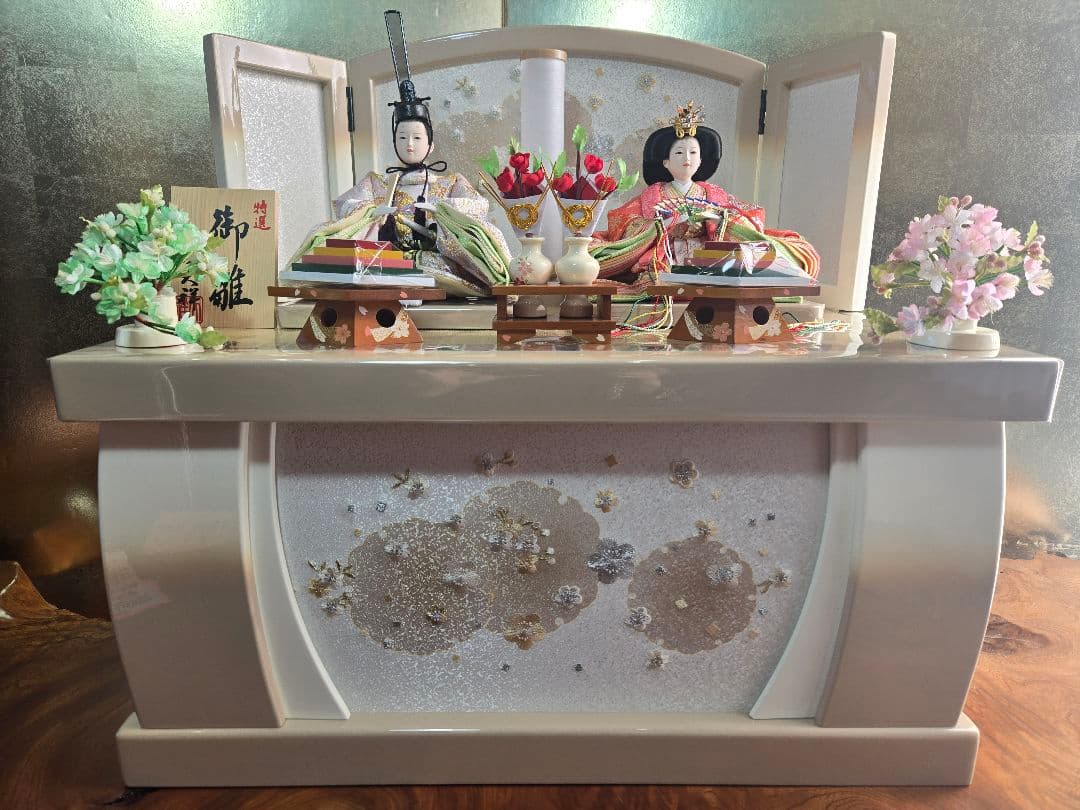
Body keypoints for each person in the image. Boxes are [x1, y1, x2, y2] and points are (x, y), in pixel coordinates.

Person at [591, 102, 819, 288]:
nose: (686, 159)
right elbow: (624, 224)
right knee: (632, 272)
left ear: (701, 161)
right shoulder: (651, 196)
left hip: (709, 258)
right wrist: (658, 226)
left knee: (778, 252)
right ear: (666, 162)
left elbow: (747, 220)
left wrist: (719, 221)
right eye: (679, 153)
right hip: (665, 257)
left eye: (693, 153)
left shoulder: (714, 195)